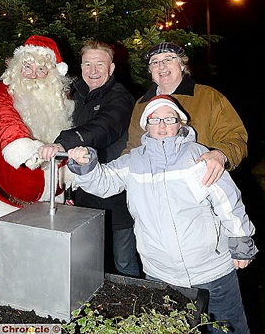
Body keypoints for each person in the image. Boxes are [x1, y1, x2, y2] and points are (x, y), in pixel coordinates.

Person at [66, 94, 258, 334]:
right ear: (146, 125)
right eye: (155, 120)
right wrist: (86, 164)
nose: (163, 126)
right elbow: (103, 182)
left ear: (181, 123)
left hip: (212, 271)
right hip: (160, 274)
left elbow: (228, 201)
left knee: (228, 329)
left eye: (170, 119)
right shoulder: (133, 161)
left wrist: (241, 241)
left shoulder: (199, 157)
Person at [38, 40, 140, 277]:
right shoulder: (76, 95)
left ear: (111, 68)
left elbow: (104, 127)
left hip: (116, 195)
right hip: (83, 194)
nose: (93, 71)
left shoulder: (120, 98)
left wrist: (63, 142)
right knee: (89, 261)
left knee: (124, 262)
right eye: (87, 64)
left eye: (100, 64)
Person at [0, 35, 75, 238]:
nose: (33, 75)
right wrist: (26, 149)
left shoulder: (59, 100)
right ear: (17, 67)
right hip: (6, 207)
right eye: (27, 67)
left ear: (52, 73)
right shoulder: (1, 93)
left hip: (53, 206)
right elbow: (5, 121)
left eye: (41, 69)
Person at [124, 42, 248, 186]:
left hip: (201, 187)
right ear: (150, 70)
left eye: (169, 59)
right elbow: (133, 147)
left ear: (182, 65)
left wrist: (220, 154)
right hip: (154, 190)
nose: (161, 66)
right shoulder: (141, 105)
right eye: (155, 62)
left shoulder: (209, 97)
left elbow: (236, 137)